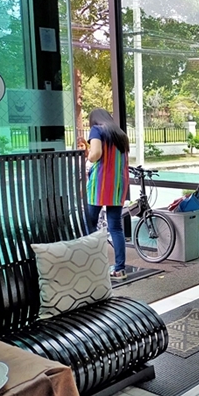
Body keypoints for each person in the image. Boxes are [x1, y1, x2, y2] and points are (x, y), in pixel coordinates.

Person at [85, 109, 130, 280]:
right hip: (118, 184)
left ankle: (92, 267)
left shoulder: (97, 130)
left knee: (90, 224)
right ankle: (120, 269)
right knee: (116, 227)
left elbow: (96, 154)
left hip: (100, 184)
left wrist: (89, 156)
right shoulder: (120, 134)